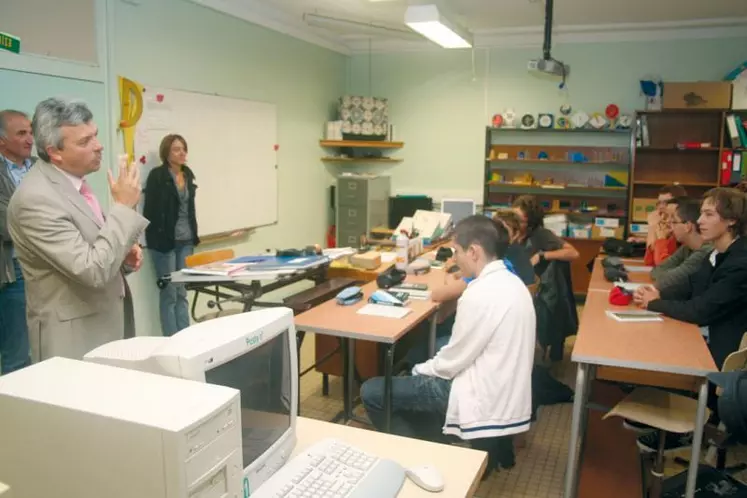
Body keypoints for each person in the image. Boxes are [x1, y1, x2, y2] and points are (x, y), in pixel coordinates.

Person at [361, 215, 536, 445]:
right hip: (505, 390)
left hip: (480, 395)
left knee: (372, 391)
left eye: (456, 252)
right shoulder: (513, 282)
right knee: (429, 356)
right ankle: (434, 438)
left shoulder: (479, 293)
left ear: (473, 252)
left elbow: (452, 363)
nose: (455, 258)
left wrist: (418, 370)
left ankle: (416, 451)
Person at [7, 97, 148, 362]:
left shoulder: (74, 183)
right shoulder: (35, 199)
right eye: (85, 142)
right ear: (55, 152)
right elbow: (92, 270)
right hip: (73, 340)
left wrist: (122, 259)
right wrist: (124, 207)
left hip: (103, 325)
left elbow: (98, 252)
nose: (99, 146)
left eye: (94, 135)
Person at [635, 188, 747, 369]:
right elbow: (690, 286)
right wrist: (656, 292)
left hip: (717, 363)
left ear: (732, 220)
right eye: (701, 213)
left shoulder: (741, 262)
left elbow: (700, 310)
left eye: (709, 215)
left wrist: (653, 303)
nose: (700, 221)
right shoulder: (716, 253)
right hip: (703, 343)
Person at [143, 134, 200, 336]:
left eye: (184, 148)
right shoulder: (157, 176)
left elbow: (189, 209)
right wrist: (154, 238)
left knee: (182, 291)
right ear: (166, 153)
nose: (182, 153)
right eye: (176, 149)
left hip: (186, 240)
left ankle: (186, 336)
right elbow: (149, 211)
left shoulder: (188, 175)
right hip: (164, 243)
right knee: (169, 294)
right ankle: (172, 339)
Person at [0, 110, 35, 374]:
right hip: (14, 271)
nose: (29, 139)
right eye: (21, 133)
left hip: (49, 266)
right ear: (2, 140)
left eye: (31, 132)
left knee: (45, 347)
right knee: (17, 354)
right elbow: (6, 225)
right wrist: (47, 227)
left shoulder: (41, 167)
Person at [649, 198, 712, 291]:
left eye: (674, 222)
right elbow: (657, 270)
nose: (670, 225)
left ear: (688, 226)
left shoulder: (705, 252)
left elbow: (666, 280)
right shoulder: (687, 247)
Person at [511, 195, 580, 274]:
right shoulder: (508, 230)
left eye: (521, 221)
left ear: (530, 223)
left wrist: (542, 256)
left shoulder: (540, 234)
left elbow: (574, 253)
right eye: (514, 218)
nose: (515, 223)